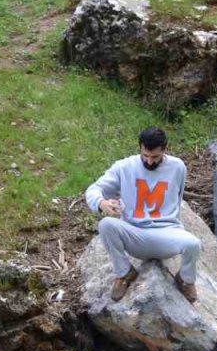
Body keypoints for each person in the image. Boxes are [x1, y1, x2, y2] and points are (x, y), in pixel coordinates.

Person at [85, 127, 201, 304]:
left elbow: (176, 200)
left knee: (193, 244)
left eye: (155, 157)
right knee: (106, 225)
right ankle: (124, 273)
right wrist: (102, 203)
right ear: (140, 148)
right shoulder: (124, 167)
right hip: (135, 233)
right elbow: (94, 189)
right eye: (145, 155)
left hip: (166, 233)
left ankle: (185, 279)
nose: (149, 161)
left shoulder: (178, 167)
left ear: (165, 149)